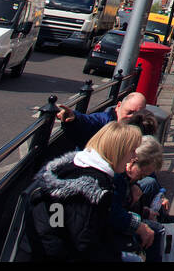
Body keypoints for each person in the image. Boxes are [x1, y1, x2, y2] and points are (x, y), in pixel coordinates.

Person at [18, 120, 144, 262]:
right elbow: (83, 242)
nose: (135, 157)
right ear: (118, 150)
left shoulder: (71, 166)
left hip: (34, 249)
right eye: (132, 150)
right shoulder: (95, 187)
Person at [55, 91, 148, 148]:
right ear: (118, 106)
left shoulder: (141, 127)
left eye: (137, 115)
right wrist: (75, 118)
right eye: (129, 112)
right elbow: (89, 121)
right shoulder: (105, 120)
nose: (132, 117)